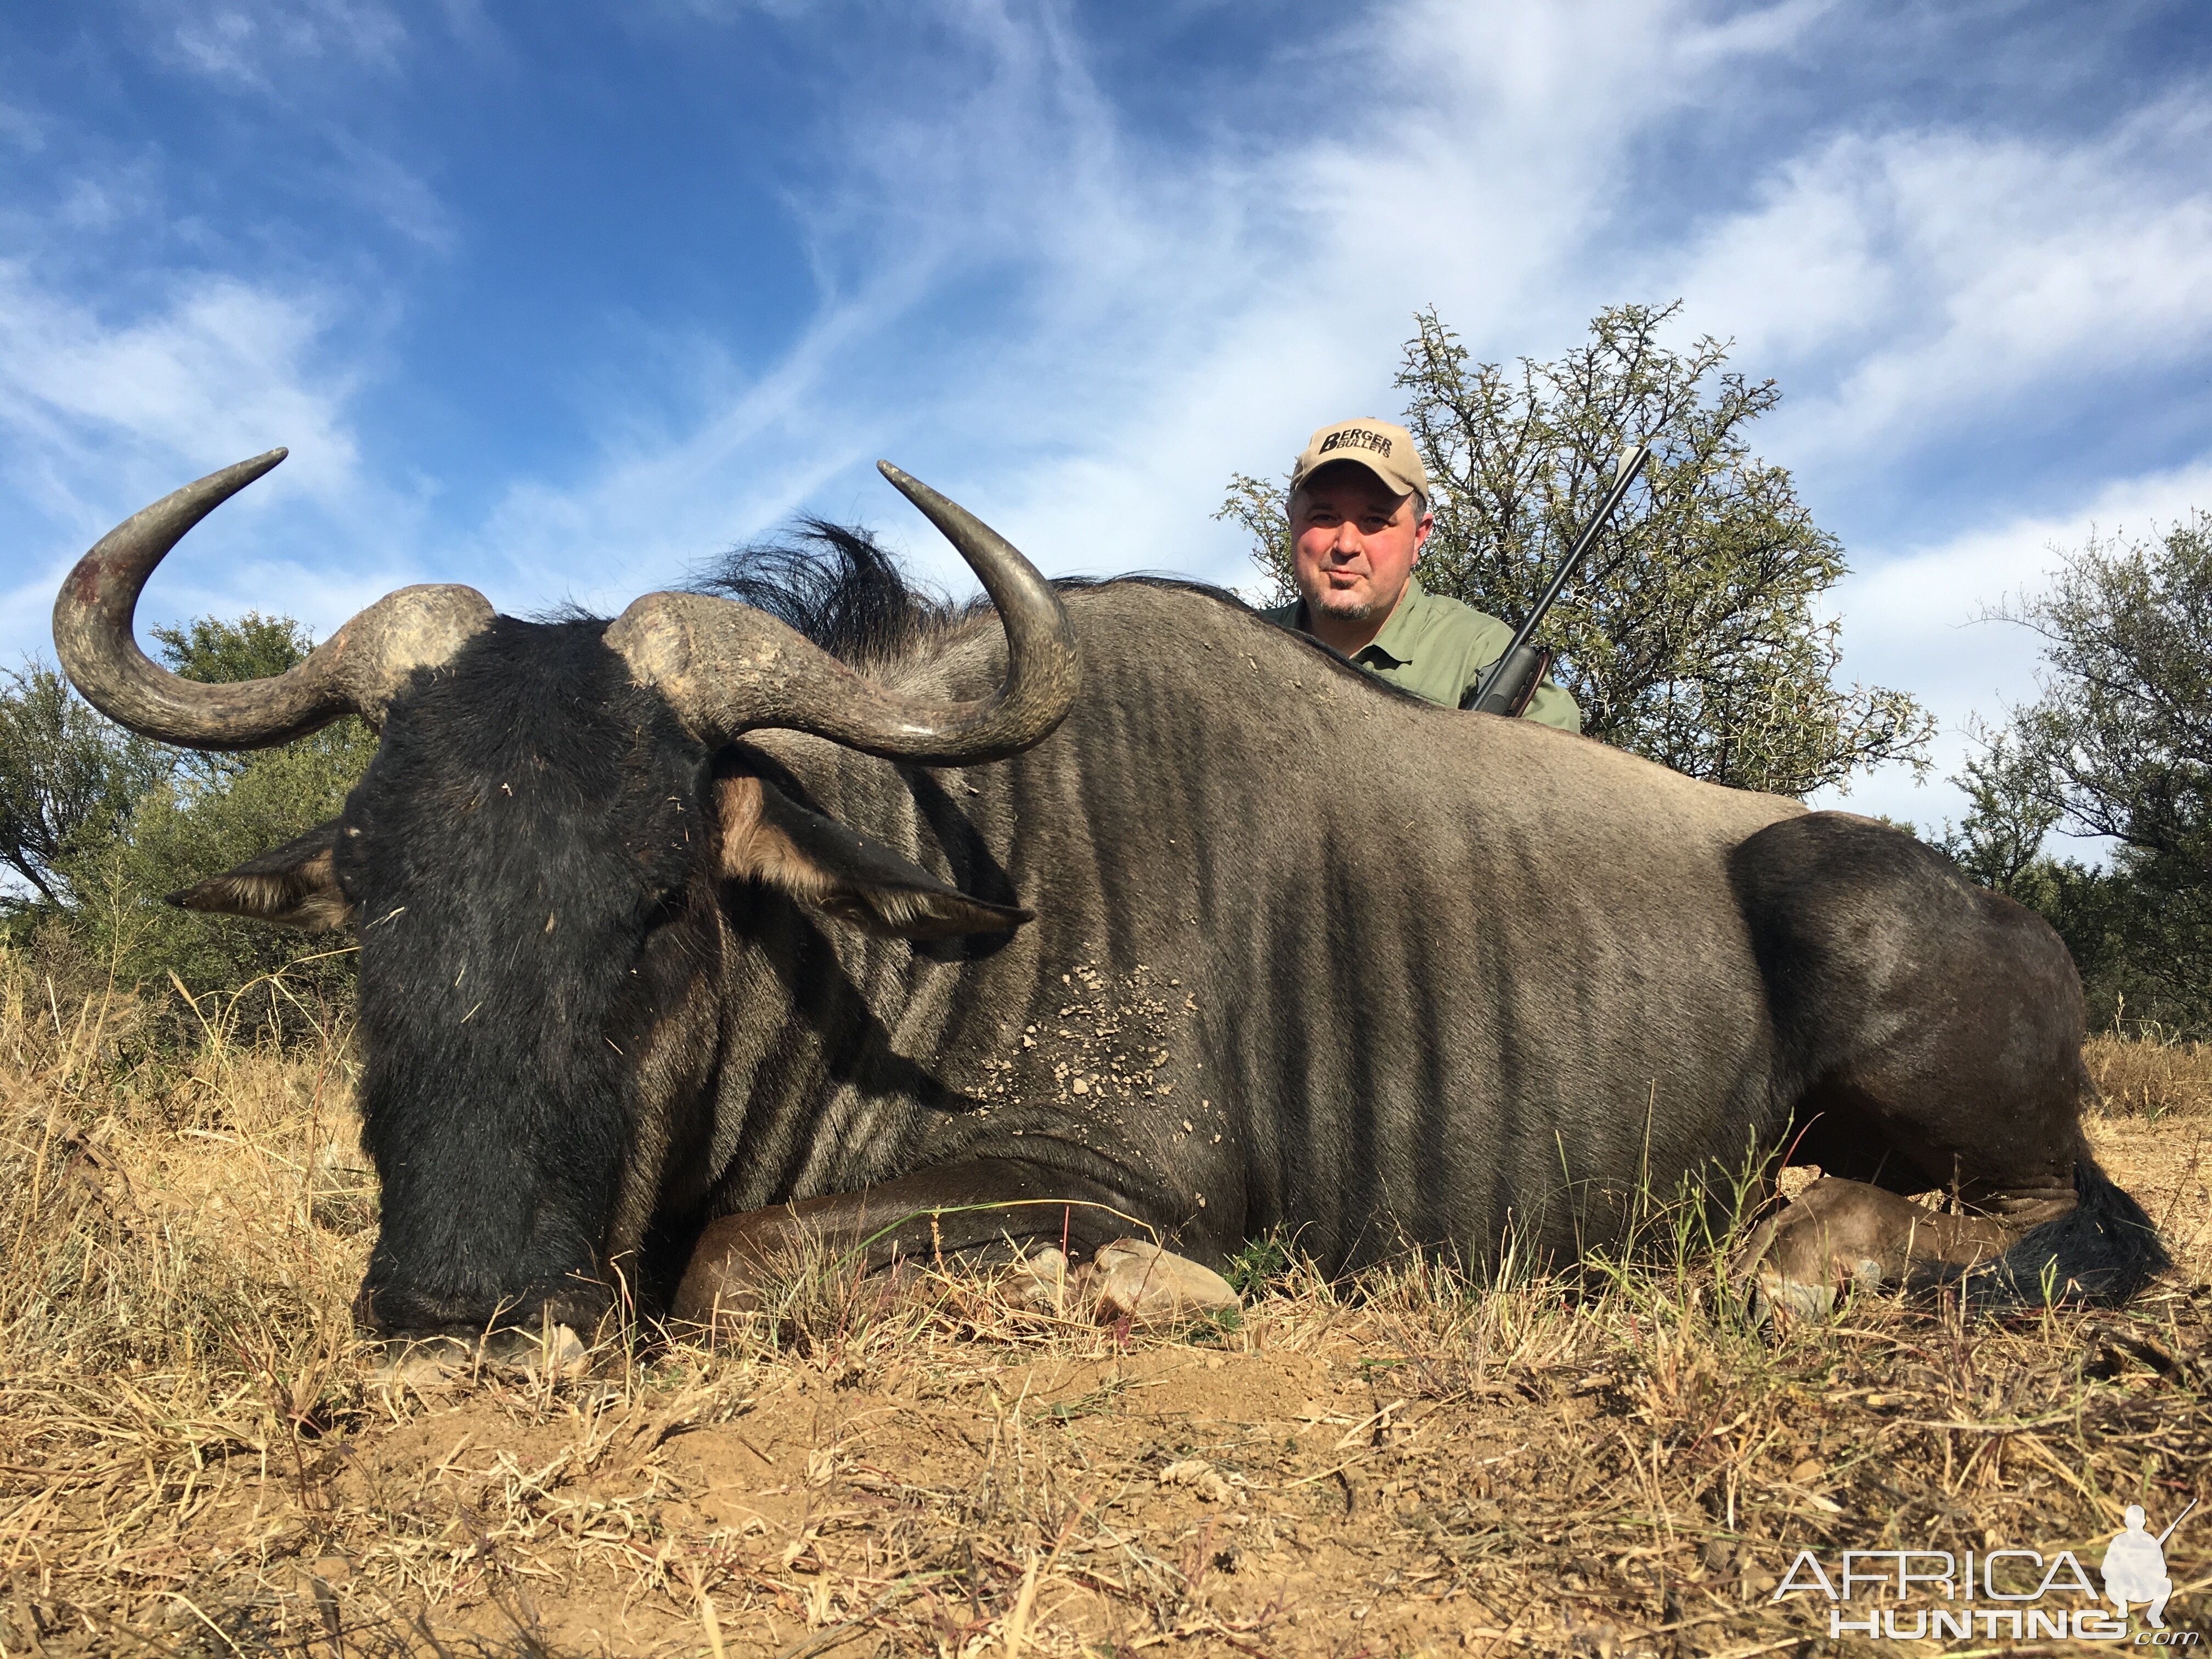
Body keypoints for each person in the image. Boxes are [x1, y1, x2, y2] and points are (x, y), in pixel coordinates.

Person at [1260, 417, 1580, 732]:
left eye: (1375, 521)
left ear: (1418, 537)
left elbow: (1561, 774)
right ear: (1292, 521)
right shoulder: (1248, 639)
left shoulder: (1480, 651)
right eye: (1325, 516)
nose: (1346, 545)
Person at [2102, 1505, 2174, 1627]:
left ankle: (2154, 1615)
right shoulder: (2119, 1541)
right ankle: (2122, 1608)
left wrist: (2147, 1569)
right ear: (2127, 1522)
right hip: (2124, 1589)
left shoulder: (2151, 1542)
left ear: (2144, 1522)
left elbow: (2162, 1571)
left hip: (2146, 1590)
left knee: (2167, 1584)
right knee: (2111, 1583)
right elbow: (2106, 1570)